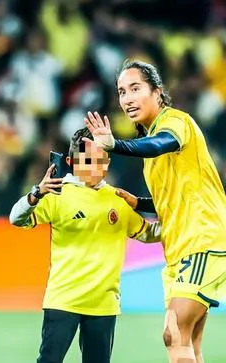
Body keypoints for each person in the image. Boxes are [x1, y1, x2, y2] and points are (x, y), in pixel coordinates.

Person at [84, 59, 226, 363]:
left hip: (201, 240)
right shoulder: (151, 149)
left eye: (136, 88)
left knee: (173, 333)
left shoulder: (175, 122)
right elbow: (171, 198)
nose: (128, 98)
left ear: (157, 93)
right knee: (189, 343)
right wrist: (138, 202)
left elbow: (161, 144)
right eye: (122, 92)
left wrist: (113, 145)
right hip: (179, 249)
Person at [9, 127, 161, 363]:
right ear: (71, 161)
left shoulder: (118, 198)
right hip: (63, 298)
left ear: (108, 161)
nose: (96, 166)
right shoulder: (57, 194)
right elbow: (16, 219)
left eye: (101, 160)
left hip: (104, 303)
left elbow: (149, 233)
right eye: (88, 160)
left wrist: (180, 221)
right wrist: (36, 193)